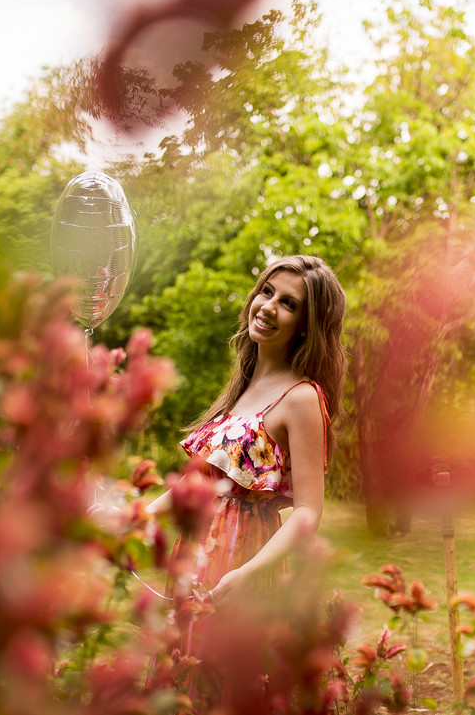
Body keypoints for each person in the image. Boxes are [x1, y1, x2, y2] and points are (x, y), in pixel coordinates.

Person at [148, 255, 346, 607]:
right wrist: (137, 518)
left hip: (242, 563)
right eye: (266, 292)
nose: (268, 307)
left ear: (306, 324)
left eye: (288, 303)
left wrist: (248, 572)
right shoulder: (242, 389)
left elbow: (308, 512)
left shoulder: (301, 398)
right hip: (194, 553)